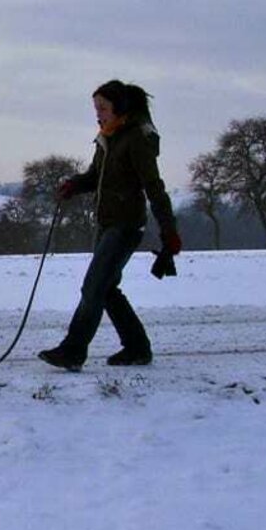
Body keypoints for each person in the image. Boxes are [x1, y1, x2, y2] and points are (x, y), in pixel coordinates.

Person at [38, 80, 181, 371]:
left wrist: (169, 231)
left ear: (120, 108)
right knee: (105, 288)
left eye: (102, 108)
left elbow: (154, 187)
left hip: (126, 226)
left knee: (94, 286)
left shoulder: (137, 140)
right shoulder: (108, 137)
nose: (98, 114)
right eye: (96, 108)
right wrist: (73, 185)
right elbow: (95, 176)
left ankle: (73, 350)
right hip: (106, 224)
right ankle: (137, 347)